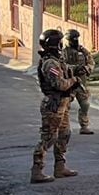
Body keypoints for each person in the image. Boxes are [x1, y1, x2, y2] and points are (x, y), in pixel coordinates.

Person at [32, 29, 82, 183]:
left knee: (64, 134)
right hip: (53, 105)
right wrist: (74, 81)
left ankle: (60, 167)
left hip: (63, 103)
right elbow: (59, 84)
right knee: (48, 138)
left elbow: (65, 73)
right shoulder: (50, 63)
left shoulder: (57, 60)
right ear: (55, 44)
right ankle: (37, 170)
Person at [64, 29, 95, 135]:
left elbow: (91, 61)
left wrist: (87, 68)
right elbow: (61, 66)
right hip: (69, 83)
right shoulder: (63, 52)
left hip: (81, 83)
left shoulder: (83, 51)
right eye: (72, 39)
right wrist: (73, 68)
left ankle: (84, 126)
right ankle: (64, 126)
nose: (74, 41)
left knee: (85, 104)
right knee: (65, 105)